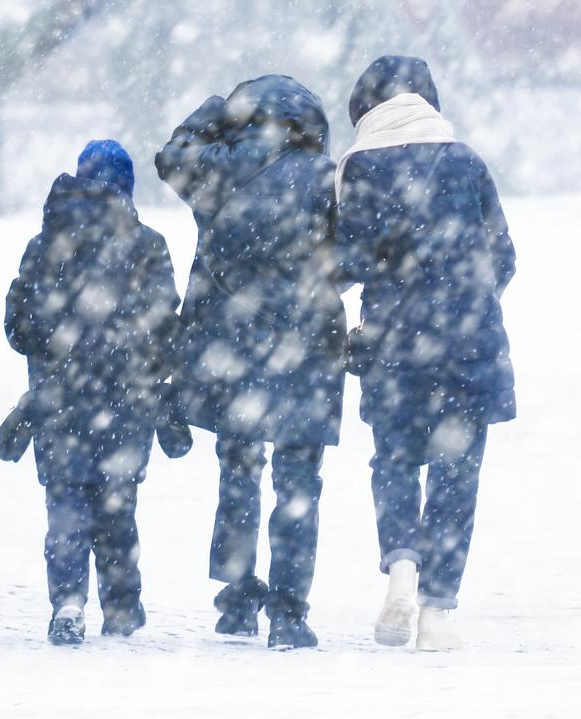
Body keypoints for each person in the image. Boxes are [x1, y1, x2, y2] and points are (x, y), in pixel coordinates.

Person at [155, 75, 346, 649]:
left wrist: (216, 107)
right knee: (298, 481)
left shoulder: (214, 167)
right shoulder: (325, 176)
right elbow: (355, 251)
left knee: (238, 470)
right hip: (306, 345)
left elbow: (171, 155)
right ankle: (289, 611)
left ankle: (237, 595)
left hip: (229, 343)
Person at [335, 55, 516, 651]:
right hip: (467, 344)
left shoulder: (357, 167)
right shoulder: (465, 160)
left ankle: (403, 570)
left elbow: (348, 263)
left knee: (394, 461)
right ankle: (437, 614)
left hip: (393, 346)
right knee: (455, 475)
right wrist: (465, 297)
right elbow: (504, 258)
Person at [0, 140, 181, 646]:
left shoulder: (46, 243)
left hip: (58, 400)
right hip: (128, 402)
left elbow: (17, 328)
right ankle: (121, 608)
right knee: (118, 505)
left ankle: (68, 601)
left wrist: (57, 343)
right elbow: (167, 327)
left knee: (65, 505)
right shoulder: (149, 246)